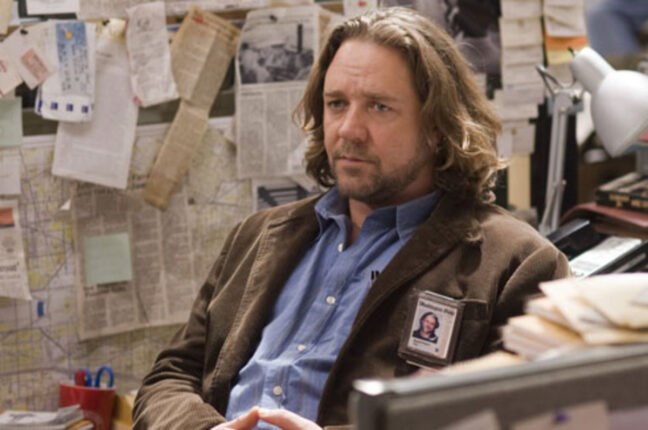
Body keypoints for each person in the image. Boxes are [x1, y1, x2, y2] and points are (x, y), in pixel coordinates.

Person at [133, 7, 570, 429]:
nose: (348, 130)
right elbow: (170, 377)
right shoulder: (257, 236)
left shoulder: (517, 264)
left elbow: (516, 417)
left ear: (438, 127)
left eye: (379, 107)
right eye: (337, 104)